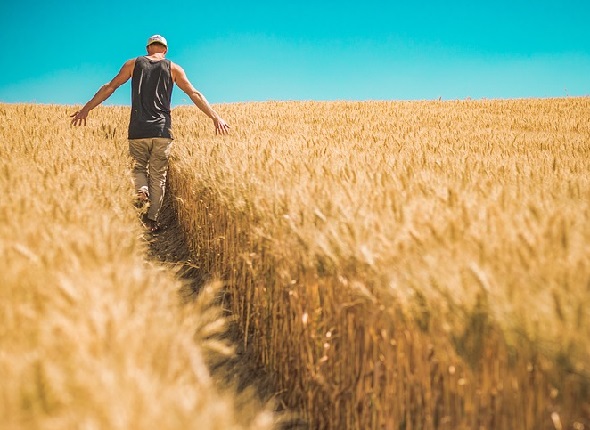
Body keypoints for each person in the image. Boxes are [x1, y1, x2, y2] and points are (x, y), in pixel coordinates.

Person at [71, 34, 230, 232]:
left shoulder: (132, 64)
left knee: (138, 169)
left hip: (138, 129)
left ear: (148, 49)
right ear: (165, 50)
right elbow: (194, 94)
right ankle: (151, 220)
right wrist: (215, 117)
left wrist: (86, 109)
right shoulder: (174, 68)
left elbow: (109, 87)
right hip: (162, 130)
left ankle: (141, 189)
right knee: (158, 176)